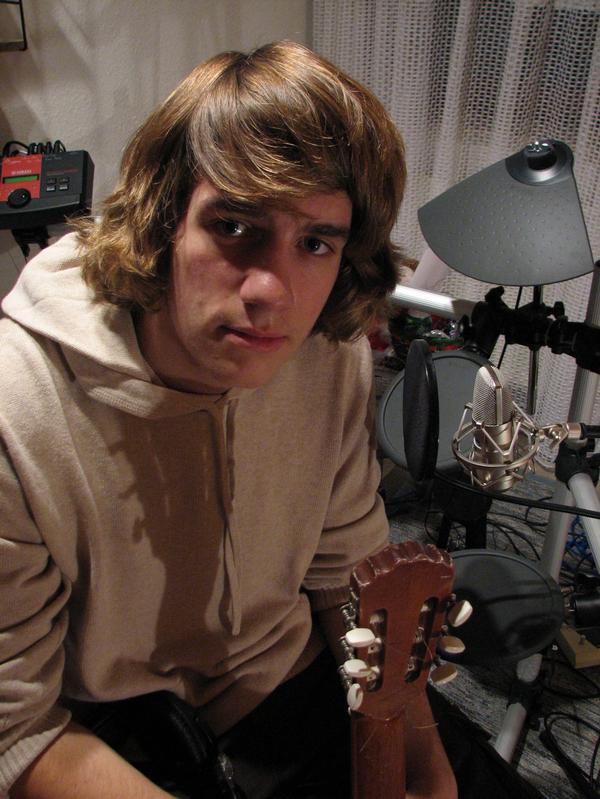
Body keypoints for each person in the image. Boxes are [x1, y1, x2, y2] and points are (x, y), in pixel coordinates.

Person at [0, 41, 456, 798]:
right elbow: (15, 725)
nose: (272, 292)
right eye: (236, 226)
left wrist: (421, 756)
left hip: (290, 680)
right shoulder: (16, 403)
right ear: (164, 220)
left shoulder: (325, 350)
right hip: (107, 730)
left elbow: (347, 574)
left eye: (315, 243)